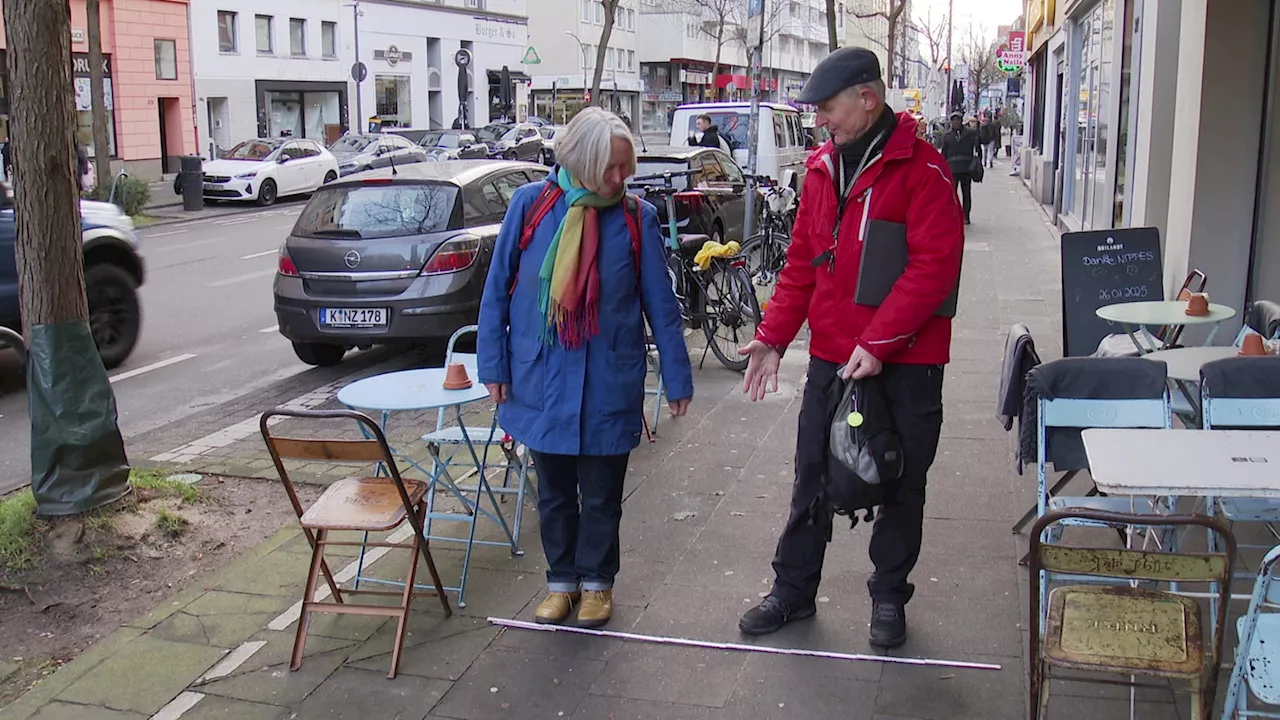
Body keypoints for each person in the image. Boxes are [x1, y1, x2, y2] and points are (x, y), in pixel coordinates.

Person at [735, 46, 964, 649]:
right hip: (835, 358)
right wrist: (772, 337)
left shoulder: (925, 171)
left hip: (908, 364)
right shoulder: (820, 169)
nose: (820, 121)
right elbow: (802, 266)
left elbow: (934, 269)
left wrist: (881, 342)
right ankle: (792, 592)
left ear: (868, 98)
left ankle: (889, 596)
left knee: (901, 479)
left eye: (827, 108)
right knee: (812, 471)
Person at [477, 107, 694, 629]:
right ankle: (561, 582)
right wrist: (493, 364)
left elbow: (659, 303)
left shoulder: (635, 217)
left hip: (606, 379)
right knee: (552, 492)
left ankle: (597, 584)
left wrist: (678, 378)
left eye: (627, 169)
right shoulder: (531, 206)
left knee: (601, 495)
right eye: (613, 169)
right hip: (541, 378)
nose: (623, 179)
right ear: (582, 161)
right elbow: (497, 292)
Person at [941, 111, 980, 225]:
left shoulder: (970, 134)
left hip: (966, 169)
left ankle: (966, 216)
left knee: (966, 193)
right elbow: (944, 154)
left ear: (961, 121)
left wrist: (978, 162)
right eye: (953, 120)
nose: (955, 122)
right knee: (952, 194)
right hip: (952, 169)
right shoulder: (947, 136)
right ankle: (953, 215)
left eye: (957, 119)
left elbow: (978, 148)